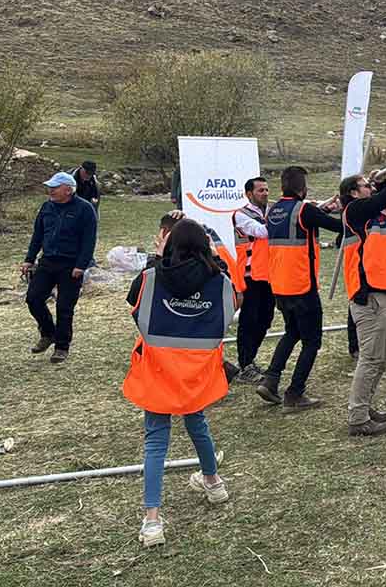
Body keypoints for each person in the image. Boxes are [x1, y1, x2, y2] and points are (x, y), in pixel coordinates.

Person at [122, 218, 236, 548]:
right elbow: (228, 310)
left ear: (168, 244)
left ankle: (153, 521)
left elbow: (135, 302)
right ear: (206, 247)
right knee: (196, 421)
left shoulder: (152, 276)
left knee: (156, 439)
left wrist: (157, 258)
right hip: (198, 369)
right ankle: (213, 483)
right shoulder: (219, 280)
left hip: (158, 368)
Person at [340, 145, 386, 438]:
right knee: (371, 357)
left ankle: (365, 405)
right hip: (369, 295)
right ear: (354, 193)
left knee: (385, 355)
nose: (370, 187)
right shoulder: (355, 211)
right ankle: (358, 418)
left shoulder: (381, 214)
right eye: (365, 185)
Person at [256, 166, 343, 410]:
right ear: (302, 188)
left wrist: (322, 209)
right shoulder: (304, 209)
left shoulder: (274, 210)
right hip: (302, 285)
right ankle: (294, 393)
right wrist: (348, 208)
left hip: (280, 286)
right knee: (312, 341)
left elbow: (309, 219)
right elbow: (337, 227)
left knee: (292, 332)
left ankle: (271, 379)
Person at [22, 172, 97, 363]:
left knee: (64, 307)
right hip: (47, 261)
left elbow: (89, 241)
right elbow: (37, 235)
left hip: (71, 265)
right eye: (50, 187)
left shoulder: (85, 209)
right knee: (33, 298)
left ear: (68, 190)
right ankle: (48, 333)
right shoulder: (46, 207)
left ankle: (62, 347)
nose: (51, 190)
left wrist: (81, 265)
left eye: (55, 187)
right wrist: (29, 259)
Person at [231, 176, 273, 383]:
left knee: (266, 319)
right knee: (249, 320)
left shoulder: (272, 211)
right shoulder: (240, 214)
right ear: (249, 194)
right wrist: (284, 218)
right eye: (260, 190)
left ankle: (250, 359)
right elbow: (261, 232)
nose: (265, 193)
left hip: (270, 274)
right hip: (249, 275)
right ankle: (245, 364)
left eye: (266, 190)